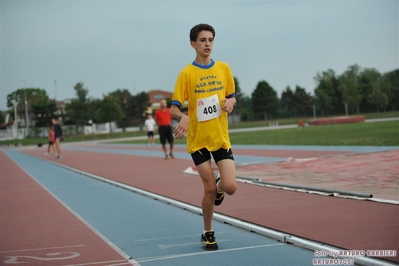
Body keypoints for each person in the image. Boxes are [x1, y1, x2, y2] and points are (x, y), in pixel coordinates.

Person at [170, 23, 237, 250]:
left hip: (220, 137)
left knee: (230, 187)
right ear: (193, 44)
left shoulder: (224, 69)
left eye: (210, 40)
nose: (207, 44)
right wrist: (183, 117)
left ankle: (220, 185)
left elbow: (232, 97)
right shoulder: (186, 74)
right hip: (198, 140)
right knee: (208, 189)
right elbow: (174, 109)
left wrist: (230, 102)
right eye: (203, 40)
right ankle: (207, 232)